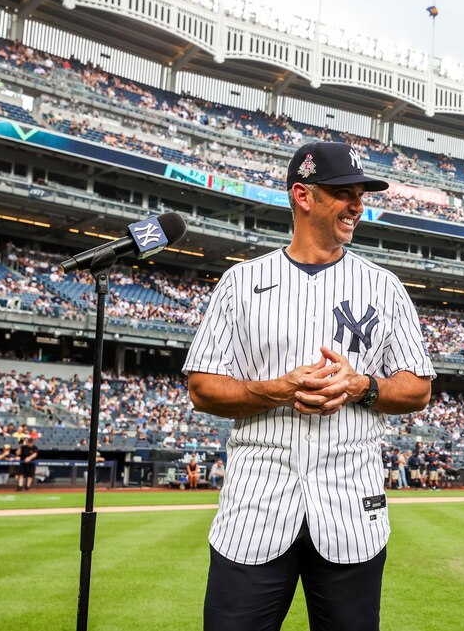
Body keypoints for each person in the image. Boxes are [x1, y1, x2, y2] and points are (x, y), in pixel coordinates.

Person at [183, 141, 435, 631]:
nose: (357, 205)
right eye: (344, 192)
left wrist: (361, 385)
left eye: (361, 194)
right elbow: (202, 387)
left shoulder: (384, 286)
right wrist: (278, 389)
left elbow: (418, 388)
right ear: (303, 195)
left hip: (350, 509)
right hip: (255, 507)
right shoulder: (241, 281)